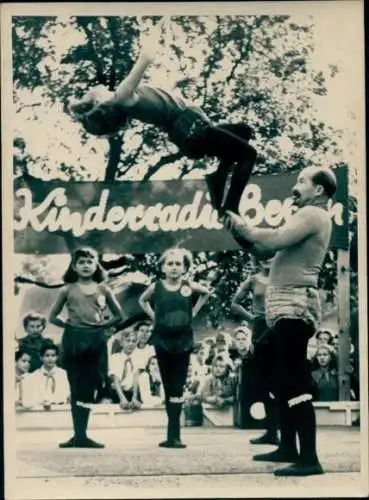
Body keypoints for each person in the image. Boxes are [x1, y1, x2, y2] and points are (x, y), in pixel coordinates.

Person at [66, 19, 257, 217]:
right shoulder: (122, 95)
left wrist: (175, 88)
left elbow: (162, 103)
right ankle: (231, 208)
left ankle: (217, 178)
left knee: (244, 131)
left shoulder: (127, 101)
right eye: (93, 92)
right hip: (193, 130)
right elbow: (146, 57)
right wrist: (160, 23)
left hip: (191, 131)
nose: (97, 88)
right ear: (98, 102)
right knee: (248, 154)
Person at [225, 166, 337, 476]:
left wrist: (245, 229)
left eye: (302, 181)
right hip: (284, 308)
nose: (296, 185)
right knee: (271, 368)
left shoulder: (313, 215)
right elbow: (265, 250)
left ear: (319, 190)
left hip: (294, 306)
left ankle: (310, 458)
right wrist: (241, 234)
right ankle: (288, 445)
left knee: (294, 379)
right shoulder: (307, 217)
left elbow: (274, 239)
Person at [49, 246, 124, 448]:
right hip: (74, 341)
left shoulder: (104, 289)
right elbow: (52, 317)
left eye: (89, 261)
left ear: (95, 265)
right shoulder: (66, 289)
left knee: (89, 388)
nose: (85, 265)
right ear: (74, 266)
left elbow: (119, 316)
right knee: (76, 388)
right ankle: (78, 434)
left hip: (95, 341)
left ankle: (83, 434)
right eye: (80, 262)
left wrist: (103, 328)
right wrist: (70, 326)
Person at [139, 247, 210, 448]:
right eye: (170, 263)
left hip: (183, 339)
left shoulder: (188, 285)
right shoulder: (156, 286)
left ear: (185, 267)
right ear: (162, 266)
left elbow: (205, 293)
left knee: (178, 386)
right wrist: (155, 317)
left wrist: (193, 312)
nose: (174, 267)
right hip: (162, 339)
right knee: (168, 384)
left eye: (178, 264)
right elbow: (142, 300)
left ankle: (175, 435)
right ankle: (170, 434)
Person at [231, 255, 279, 446]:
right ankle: (271, 431)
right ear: (258, 260)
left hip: (279, 328)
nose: (268, 259)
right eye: (264, 256)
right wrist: (253, 318)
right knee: (264, 384)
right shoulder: (253, 279)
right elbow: (235, 303)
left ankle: (285, 430)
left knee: (281, 383)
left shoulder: (284, 277)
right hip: (260, 330)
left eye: (272, 255)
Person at [22, 343, 70, 409]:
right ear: (41, 357)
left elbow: (66, 393)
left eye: (53, 355)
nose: (50, 358)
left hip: (59, 409)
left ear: (57, 357)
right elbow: (33, 396)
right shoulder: (35, 375)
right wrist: (42, 401)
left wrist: (54, 401)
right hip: (40, 410)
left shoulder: (63, 374)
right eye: (47, 356)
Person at [109, 328, 142, 409]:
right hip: (118, 392)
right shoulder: (115, 358)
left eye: (134, 341)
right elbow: (116, 380)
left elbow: (136, 379)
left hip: (132, 391)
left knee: (137, 404)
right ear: (121, 343)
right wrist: (122, 398)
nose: (131, 344)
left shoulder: (138, 358)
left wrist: (134, 397)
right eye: (128, 341)